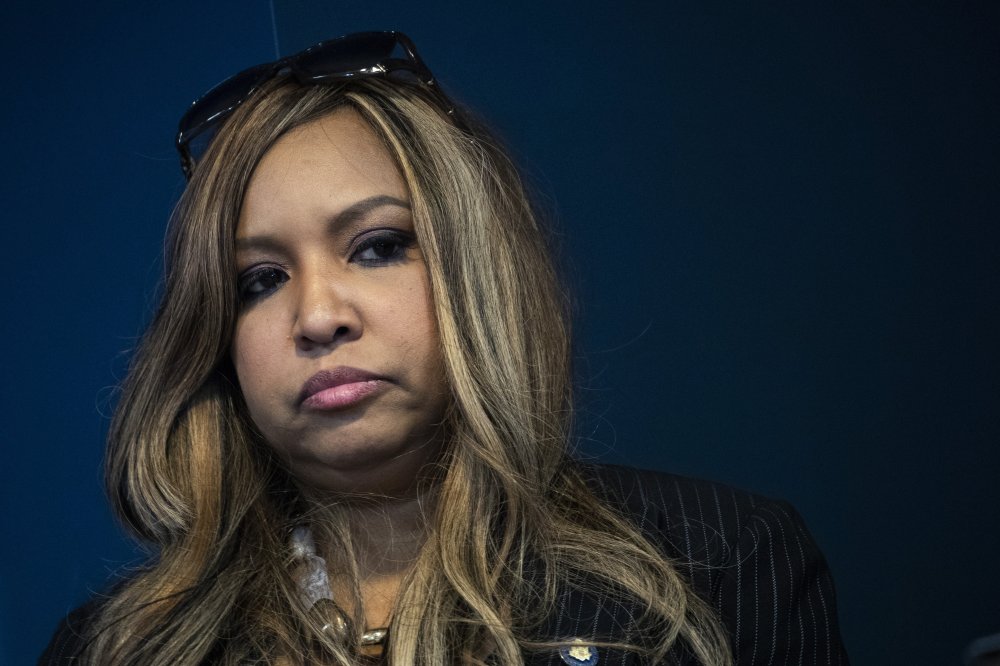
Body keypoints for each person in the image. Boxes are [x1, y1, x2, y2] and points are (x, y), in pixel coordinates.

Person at [40, 31, 848, 665]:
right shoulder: (111, 647)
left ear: (472, 267)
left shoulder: (726, 566)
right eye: (259, 281)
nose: (317, 315)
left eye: (378, 246)